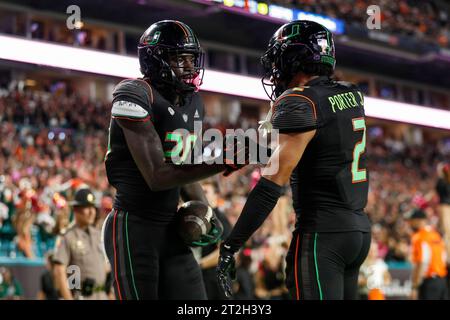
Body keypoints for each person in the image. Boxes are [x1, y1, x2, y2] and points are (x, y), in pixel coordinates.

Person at [217, 20, 371, 300]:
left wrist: (231, 244)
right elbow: (320, 150)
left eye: (279, 58)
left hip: (323, 236)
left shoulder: (300, 101)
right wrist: (255, 152)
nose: (275, 69)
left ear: (294, 59)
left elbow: (271, 184)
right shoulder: (350, 94)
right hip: (357, 231)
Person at [102, 20, 243, 300]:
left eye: (192, 58)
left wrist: (206, 211)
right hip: (134, 228)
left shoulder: (193, 103)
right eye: (181, 59)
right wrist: (222, 160)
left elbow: (187, 169)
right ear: (156, 61)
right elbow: (157, 176)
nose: (190, 66)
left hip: (171, 228)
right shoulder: (135, 94)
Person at [53, 188, 110, 300]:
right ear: (76, 210)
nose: (91, 211)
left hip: (103, 295)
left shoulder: (99, 235)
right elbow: (59, 271)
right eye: (86, 207)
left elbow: (107, 267)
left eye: (93, 207)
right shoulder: (68, 237)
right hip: (82, 295)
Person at [406, 208, 448, 300]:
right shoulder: (436, 235)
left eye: (411, 221)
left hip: (429, 282)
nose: (410, 224)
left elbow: (422, 261)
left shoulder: (419, 236)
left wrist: (415, 287)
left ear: (418, 221)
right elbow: (444, 257)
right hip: (442, 281)